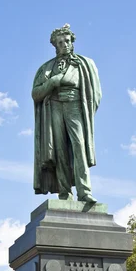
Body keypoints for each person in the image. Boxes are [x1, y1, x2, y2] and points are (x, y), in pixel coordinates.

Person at [32, 24, 102, 203]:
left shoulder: (85, 64)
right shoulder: (47, 68)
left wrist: (87, 112)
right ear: (55, 45)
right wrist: (53, 82)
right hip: (54, 107)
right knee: (59, 149)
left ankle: (84, 191)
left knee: (79, 147)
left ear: (72, 42)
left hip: (75, 106)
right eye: (60, 42)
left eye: (67, 41)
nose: (64, 44)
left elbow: (96, 94)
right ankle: (64, 192)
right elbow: (36, 93)